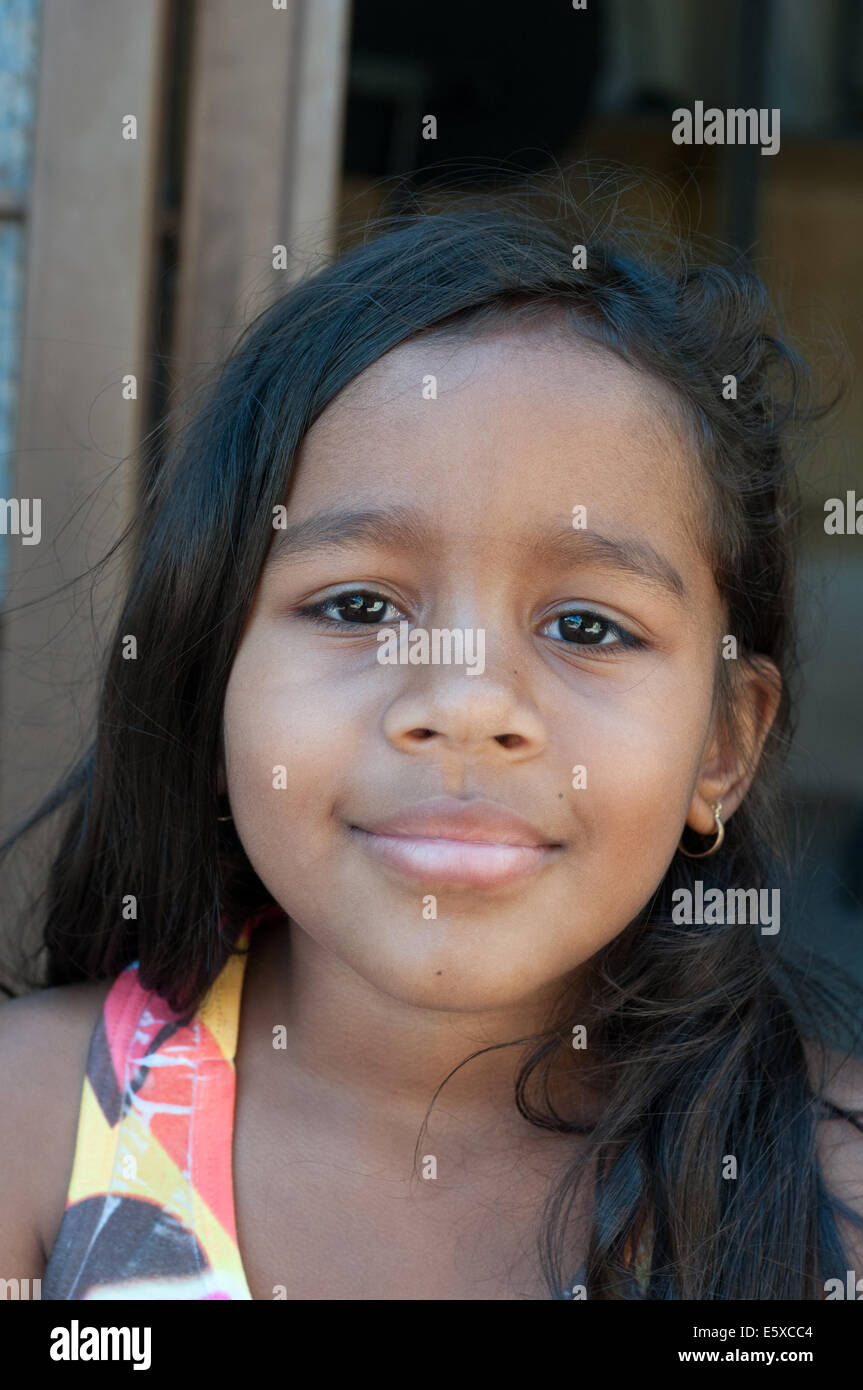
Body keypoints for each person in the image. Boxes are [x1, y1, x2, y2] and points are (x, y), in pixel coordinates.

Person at [2, 177, 862, 1300]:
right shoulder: (37, 1131)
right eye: (357, 606)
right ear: (210, 677)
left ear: (720, 746)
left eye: (586, 626)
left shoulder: (828, 1191)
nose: (464, 703)